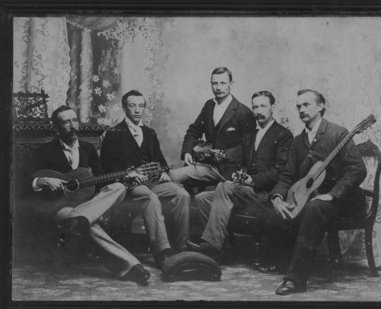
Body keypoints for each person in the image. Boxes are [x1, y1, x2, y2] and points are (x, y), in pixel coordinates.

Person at [29, 105, 150, 286]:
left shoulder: (88, 149)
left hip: (89, 203)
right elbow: (23, 178)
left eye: (75, 120)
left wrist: (126, 176)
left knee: (118, 186)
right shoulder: (45, 151)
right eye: (66, 122)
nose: (73, 125)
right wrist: (41, 180)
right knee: (87, 224)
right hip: (61, 207)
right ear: (57, 128)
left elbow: (102, 180)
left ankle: (81, 218)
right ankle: (131, 266)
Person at [269, 89, 367, 295]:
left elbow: (357, 169)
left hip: (344, 201)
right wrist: (277, 197)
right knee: (277, 209)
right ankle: (278, 262)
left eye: (306, 105)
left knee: (315, 207)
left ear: (321, 106)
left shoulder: (338, 133)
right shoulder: (298, 141)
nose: (301, 110)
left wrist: (332, 194)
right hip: (313, 198)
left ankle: (296, 280)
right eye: (298, 106)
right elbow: (287, 175)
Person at [186, 90, 293, 265]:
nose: (258, 111)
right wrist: (211, 154)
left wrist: (252, 180)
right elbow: (235, 155)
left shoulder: (283, 135)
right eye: (255, 107)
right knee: (202, 198)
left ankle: (211, 246)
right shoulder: (250, 135)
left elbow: (280, 172)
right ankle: (224, 249)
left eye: (263, 106)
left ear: (273, 107)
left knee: (225, 186)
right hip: (244, 192)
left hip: (263, 194)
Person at [100, 90, 190, 267]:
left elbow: (160, 160)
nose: (137, 110)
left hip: (152, 182)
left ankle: (182, 247)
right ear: (124, 108)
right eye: (132, 106)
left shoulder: (149, 133)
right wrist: (129, 174)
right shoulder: (113, 133)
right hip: (129, 186)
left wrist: (164, 172)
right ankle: (162, 252)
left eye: (141, 106)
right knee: (150, 198)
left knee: (182, 194)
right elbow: (106, 166)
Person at [170, 66, 256, 184]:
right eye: (215, 83)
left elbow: (248, 147)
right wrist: (187, 152)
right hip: (205, 163)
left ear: (231, 83)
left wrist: (223, 154)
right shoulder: (209, 105)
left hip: (227, 170)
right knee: (173, 178)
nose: (219, 87)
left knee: (174, 176)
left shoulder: (243, 112)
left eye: (223, 83)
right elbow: (193, 131)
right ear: (210, 84)